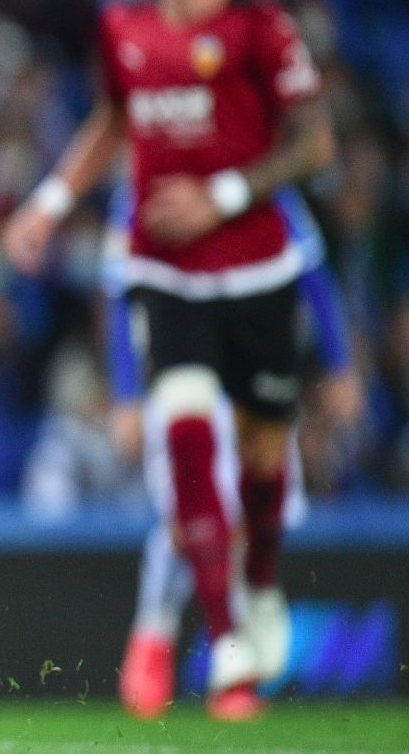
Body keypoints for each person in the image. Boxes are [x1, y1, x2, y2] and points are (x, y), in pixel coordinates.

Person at [5, 0, 335, 720]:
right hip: (164, 273)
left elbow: (315, 144)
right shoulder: (123, 27)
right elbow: (112, 121)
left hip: (258, 273)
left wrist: (225, 194)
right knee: (186, 440)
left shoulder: (262, 30)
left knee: (264, 467)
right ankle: (225, 640)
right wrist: (48, 201)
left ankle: (258, 584)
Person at [103, 182, 358, 719]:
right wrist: (125, 392)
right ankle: (158, 635)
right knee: (186, 520)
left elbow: (313, 275)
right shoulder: (148, 182)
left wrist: (339, 364)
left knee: (253, 519)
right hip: (181, 370)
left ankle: (230, 662)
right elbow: (118, 291)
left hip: (252, 371)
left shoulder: (264, 185)